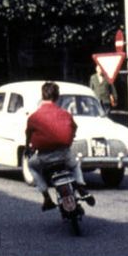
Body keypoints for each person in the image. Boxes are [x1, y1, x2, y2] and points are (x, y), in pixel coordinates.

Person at [25, 81, 93, 210]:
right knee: (75, 165)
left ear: (42, 96)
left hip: (44, 156)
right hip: (63, 153)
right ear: (57, 97)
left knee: (31, 166)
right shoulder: (65, 114)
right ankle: (81, 185)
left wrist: (28, 148)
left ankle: (46, 197)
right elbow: (74, 128)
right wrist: (70, 139)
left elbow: (28, 134)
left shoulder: (34, 117)